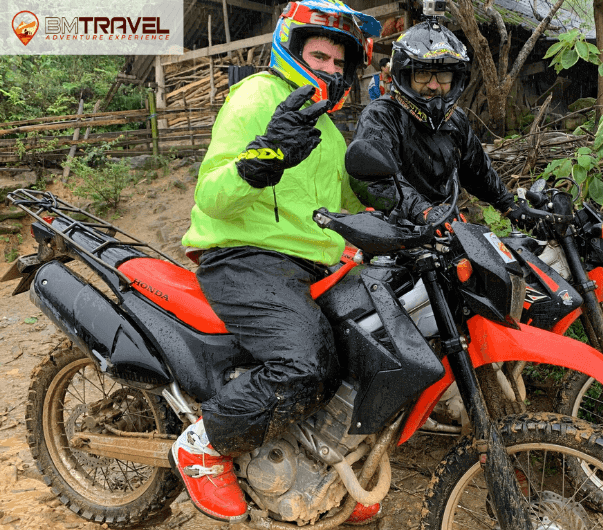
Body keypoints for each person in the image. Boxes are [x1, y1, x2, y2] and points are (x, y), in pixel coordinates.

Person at [172, 0, 380, 524]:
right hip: (245, 258)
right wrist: (264, 156)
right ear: (291, 49)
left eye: (339, 64)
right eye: (320, 56)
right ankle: (203, 442)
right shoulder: (256, 96)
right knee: (305, 365)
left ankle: (329, 464)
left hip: (310, 266)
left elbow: (351, 207)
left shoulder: (328, 131)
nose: (331, 70)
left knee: (370, 349)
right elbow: (213, 196)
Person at [346, 20, 533, 230]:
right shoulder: (382, 115)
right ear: (406, 75)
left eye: (443, 75)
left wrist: (509, 206)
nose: (434, 85)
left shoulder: (455, 118)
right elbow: (374, 180)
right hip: (394, 232)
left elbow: (478, 172)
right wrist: (423, 211)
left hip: (445, 229)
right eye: (423, 73)